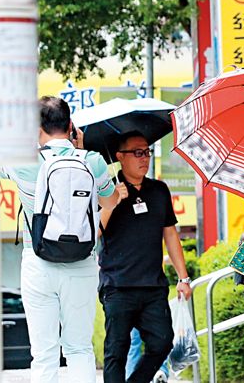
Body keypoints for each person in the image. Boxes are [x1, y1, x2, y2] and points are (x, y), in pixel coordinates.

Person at [0, 97, 119, 383]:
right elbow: (111, 201)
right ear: (71, 126)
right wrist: (81, 151)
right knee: (79, 348)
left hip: (38, 261)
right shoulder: (92, 161)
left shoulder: (23, 162)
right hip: (82, 262)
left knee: (44, 354)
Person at [99, 132, 193, 383]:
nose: (144, 158)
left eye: (147, 152)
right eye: (137, 153)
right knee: (116, 352)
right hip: (118, 286)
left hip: (153, 285)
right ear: (120, 157)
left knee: (162, 342)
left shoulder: (159, 190)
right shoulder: (107, 190)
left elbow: (170, 234)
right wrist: (112, 200)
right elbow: (95, 231)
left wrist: (183, 278)